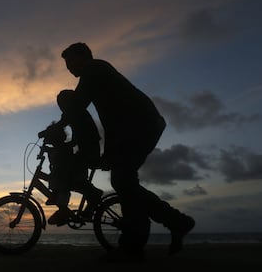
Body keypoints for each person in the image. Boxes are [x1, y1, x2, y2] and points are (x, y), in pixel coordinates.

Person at [60, 42, 195, 260]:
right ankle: (176, 222)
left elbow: (77, 104)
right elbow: (113, 120)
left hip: (142, 125)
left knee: (123, 181)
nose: (68, 68)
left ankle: (134, 246)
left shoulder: (94, 69)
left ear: (83, 57)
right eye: (66, 64)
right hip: (137, 128)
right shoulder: (96, 74)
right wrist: (108, 155)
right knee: (125, 183)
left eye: (70, 61)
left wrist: (57, 126)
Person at [42, 91, 103, 226]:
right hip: (87, 149)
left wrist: (47, 133)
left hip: (89, 150)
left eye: (61, 104)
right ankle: (65, 202)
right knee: (66, 173)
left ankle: (91, 195)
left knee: (67, 175)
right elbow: (74, 140)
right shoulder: (76, 113)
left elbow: (64, 123)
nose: (61, 107)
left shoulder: (74, 111)